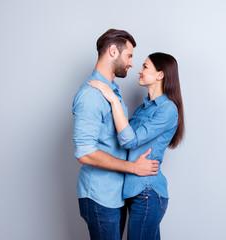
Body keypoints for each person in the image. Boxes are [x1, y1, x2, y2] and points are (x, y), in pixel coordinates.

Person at [72, 29, 160, 240]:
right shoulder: (91, 95)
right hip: (99, 197)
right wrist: (133, 168)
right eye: (129, 56)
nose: (131, 63)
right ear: (113, 51)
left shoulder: (112, 92)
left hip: (114, 196)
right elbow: (84, 153)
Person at [88, 52, 185, 240]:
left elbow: (129, 141)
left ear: (160, 75)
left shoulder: (168, 109)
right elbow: (123, 141)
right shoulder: (144, 108)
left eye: (145, 67)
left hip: (147, 191)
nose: (139, 71)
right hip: (134, 191)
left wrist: (114, 100)